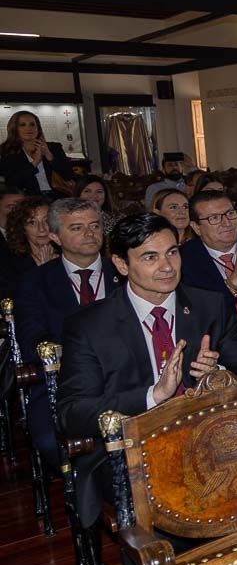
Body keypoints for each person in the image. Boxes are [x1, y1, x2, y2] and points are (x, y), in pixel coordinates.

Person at [57, 212, 237, 529]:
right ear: (122, 264)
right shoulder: (88, 326)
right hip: (132, 449)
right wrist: (153, 396)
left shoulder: (210, 306)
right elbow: (72, 414)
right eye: (150, 257)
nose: (167, 267)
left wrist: (219, 374)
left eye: (172, 252)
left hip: (212, 439)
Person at [14, 198, 121, 470]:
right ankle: (90, 501)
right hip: (63, 387)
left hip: (127, 380)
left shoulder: (124, 272)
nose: (89, 233)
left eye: (95, 225)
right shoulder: (36, 282)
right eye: (76, 228)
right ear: (54, 236)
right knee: (54, 443)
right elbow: (32, 343)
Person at [0, 110, 75, 197]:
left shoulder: (54, 147)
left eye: (32, 124)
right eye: (22, 125)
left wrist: (49, 156)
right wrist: (35, 162)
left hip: (58, 194)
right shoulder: (8, 151)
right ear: (14, 129)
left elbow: (69, 175)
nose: (28, 128)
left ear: (38, 127)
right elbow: (12, 182)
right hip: (29, 198)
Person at [5, 196, 57, 280]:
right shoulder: (9, 261)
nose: (41, 229)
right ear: (22, 228)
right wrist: (44, 271)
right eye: (32, 222)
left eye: (46, 221)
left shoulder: (68, 254)